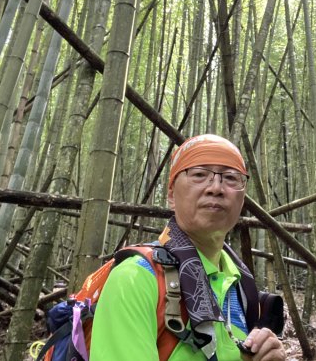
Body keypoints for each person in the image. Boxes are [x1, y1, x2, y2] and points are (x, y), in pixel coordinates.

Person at [90, 134, 286, 361]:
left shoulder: (241, 286)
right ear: (171, 194)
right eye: (199, 175)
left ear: (242, 200)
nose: (216, 188)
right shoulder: (136, 278)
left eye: (231, 178)